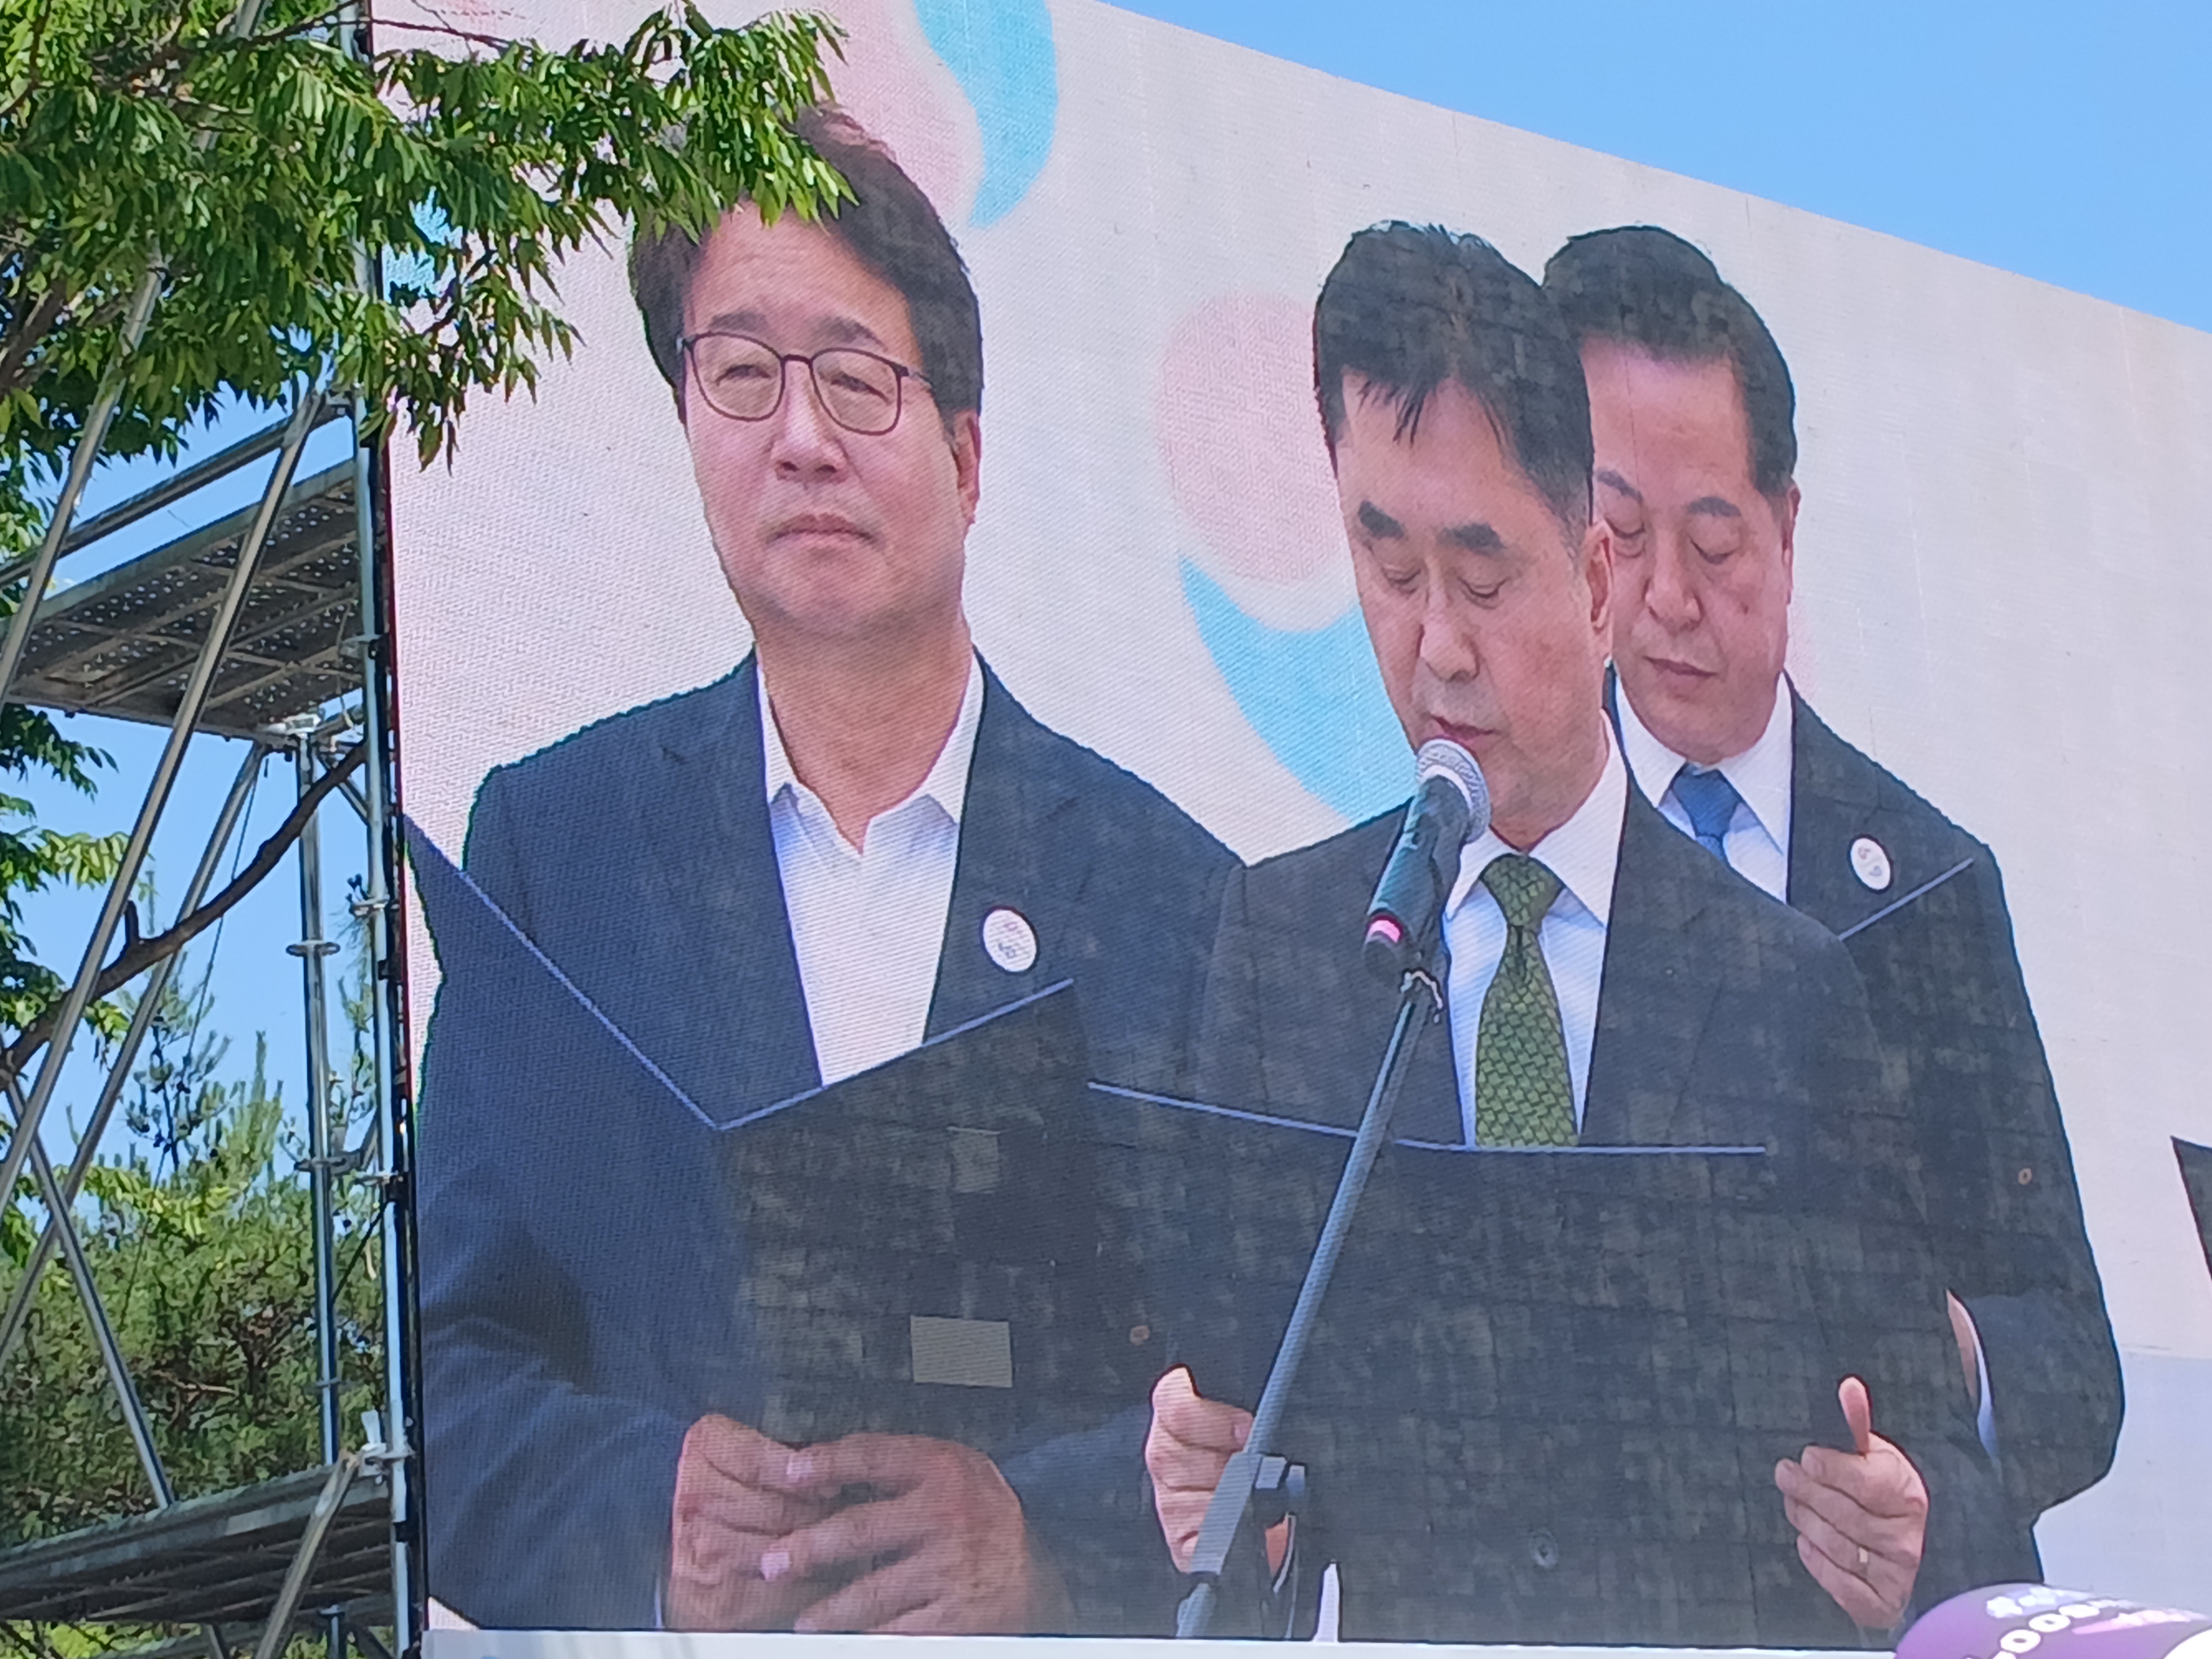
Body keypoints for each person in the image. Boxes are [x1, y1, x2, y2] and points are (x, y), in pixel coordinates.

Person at [417, 106, 1232, 1634]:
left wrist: (1041, 1544)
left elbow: (1257, 1404)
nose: (800, 438)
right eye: (742, 374)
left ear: (966, 457)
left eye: (857, 380)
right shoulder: (556, 853)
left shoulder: (1178, 900)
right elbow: (443, 1370)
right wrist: (651, 1519)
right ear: (688, 422)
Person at [1149, 222, 2022, 1646]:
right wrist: (1215, 1503)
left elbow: (1946, 1474)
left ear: (1601, 580)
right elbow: (1250, 1485)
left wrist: (1910, 1531)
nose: (1437, 645)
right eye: (1388, 568)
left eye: (1484, 576)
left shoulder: (1786, 990)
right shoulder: (1287, 953)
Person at [1541, 224, 2120, 1556]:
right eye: (1621, 536)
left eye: (1716, 543)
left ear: (1787, 532)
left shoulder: (1927, 891)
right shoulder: (1506, 872)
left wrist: (1932, 1363)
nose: (1668, 600)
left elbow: (2077, 1371)